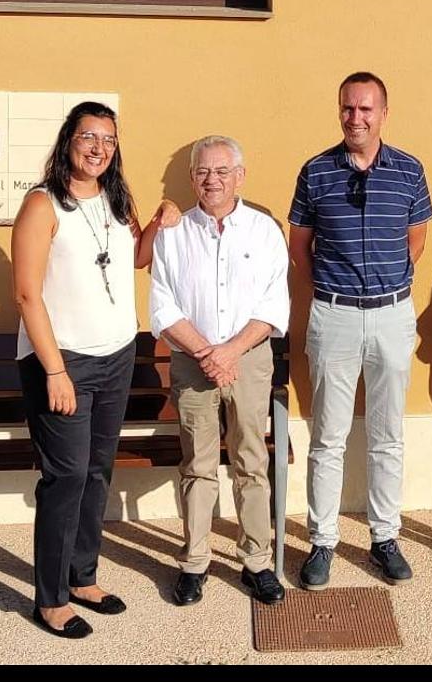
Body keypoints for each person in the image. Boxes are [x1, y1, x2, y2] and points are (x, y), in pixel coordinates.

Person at [13, 101, 178, 638]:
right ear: (68, 141)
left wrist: (156, 224)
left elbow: (134, 258)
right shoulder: (42, 205)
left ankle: (83, 576)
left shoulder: (115, 199)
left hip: (116, 356)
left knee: (98, 470)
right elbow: (26, 294)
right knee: (65, 477)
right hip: (63, 363)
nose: (98, 148)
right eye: (89, 136)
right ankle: (51, 598)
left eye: (108, 139)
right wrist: (55, 371)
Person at [288, 72, 432, 590]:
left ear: (384, 113)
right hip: (335, 315)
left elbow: (416, 240)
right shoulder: (315, 171)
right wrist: (339, 287)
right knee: (328, 436)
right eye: (348, 108)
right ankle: (323, 541)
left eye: (366, 109)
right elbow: (299, 246)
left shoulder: (410, 171)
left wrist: (385, 283)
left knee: (387, 434)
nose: (356, 118)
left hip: (393, 315)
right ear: (339, 111)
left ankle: (383, 537)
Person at [150, 135, 289, 607]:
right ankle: (194, 562)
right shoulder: (173, 233)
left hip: (248, 361)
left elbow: (275, 303)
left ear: (240, 175)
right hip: (192, 363)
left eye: (221, 171)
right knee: (198, 465)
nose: (212, 180)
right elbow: (163, 307)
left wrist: (230, 351)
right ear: (192, 178)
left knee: (252, 461)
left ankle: (257, 562)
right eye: (203, 172)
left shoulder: (264, 231)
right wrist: (209, 351)